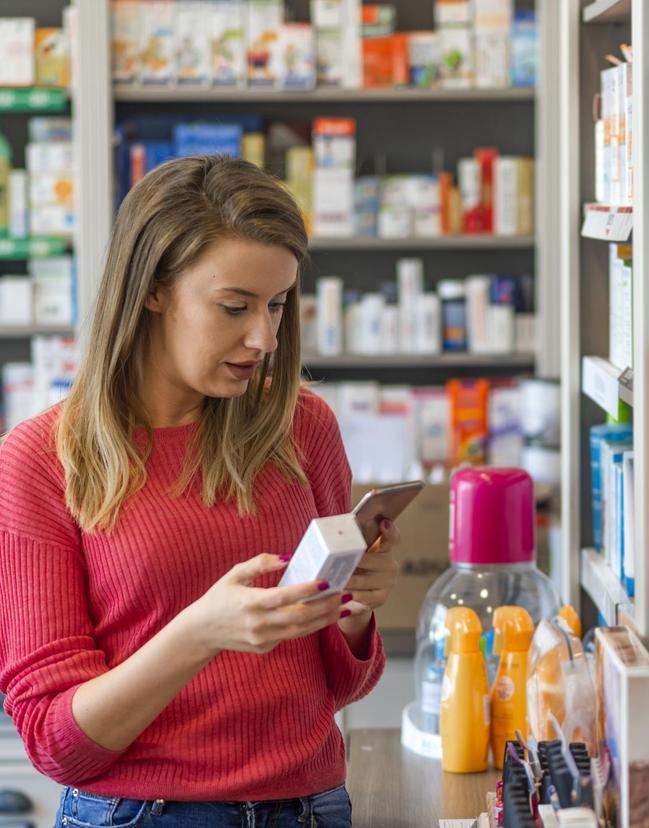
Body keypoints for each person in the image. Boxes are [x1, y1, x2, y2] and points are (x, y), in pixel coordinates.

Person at [0, 155, 399, 827]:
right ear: (152, 289)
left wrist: (355, 610)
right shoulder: (41, 459)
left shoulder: (303, 427)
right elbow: (55, 743)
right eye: (234, 307)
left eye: (277, 305)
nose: (264, 338)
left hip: (311, 807)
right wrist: (198, 635)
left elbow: (339, 686)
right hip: (142, 814)